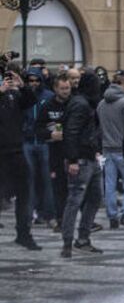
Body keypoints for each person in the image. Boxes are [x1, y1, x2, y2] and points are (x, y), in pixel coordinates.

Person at [60, 70, 104, 257]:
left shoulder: (84, 102)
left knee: (94, 197)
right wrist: (72, 159)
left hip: (89, 157)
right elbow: (71, 132)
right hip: (81, 159)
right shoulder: (81, 104)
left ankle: (82, 238)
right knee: (75, 200)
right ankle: (69, 242)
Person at [0, 66, 41, 250]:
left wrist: (22, 86)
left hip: (16, 150)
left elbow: (31, 101)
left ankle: (24, 234)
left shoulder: (14, 95)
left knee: (24, 193)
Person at [98, 73, 124, 229]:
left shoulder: (101, 104)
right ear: (122, 84)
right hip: (123, 149)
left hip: (107, 148)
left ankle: (112, 215)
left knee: (110, 184)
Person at [37, 74, 72, 231]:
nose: (65, 91)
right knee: (58, 186)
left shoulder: (75, 103)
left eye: (67, 88)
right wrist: (50, 134)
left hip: (73, 150)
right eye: (62, 88)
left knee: (76, 187)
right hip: (54, 151)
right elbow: (38, 128)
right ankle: (60, 218)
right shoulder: (47, 106)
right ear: (55, 89)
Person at [22, 67, 56, 228]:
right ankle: (30, 213)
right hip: (28, 141)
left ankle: (48, 213)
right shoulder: (23, 96)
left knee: (47, 179)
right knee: (29, 179)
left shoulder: (48, 96)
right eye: (31, 81)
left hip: (44, 142)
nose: (34, 83)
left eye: (36, 80)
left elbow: (55, 117)